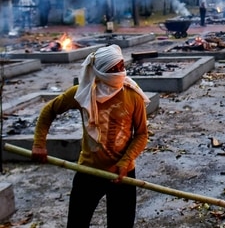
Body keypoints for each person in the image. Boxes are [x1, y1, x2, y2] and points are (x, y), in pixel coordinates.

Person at [31, 44, 150, 228]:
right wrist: (39, 143)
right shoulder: (83, 93)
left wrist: (125, 161)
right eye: (113, 69)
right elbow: (49, 110)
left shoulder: (133, 95)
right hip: (88, 170)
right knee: (77, 223)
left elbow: (141, 134)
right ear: (100, 72)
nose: (120, 72)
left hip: (123, 173)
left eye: (121, 66)